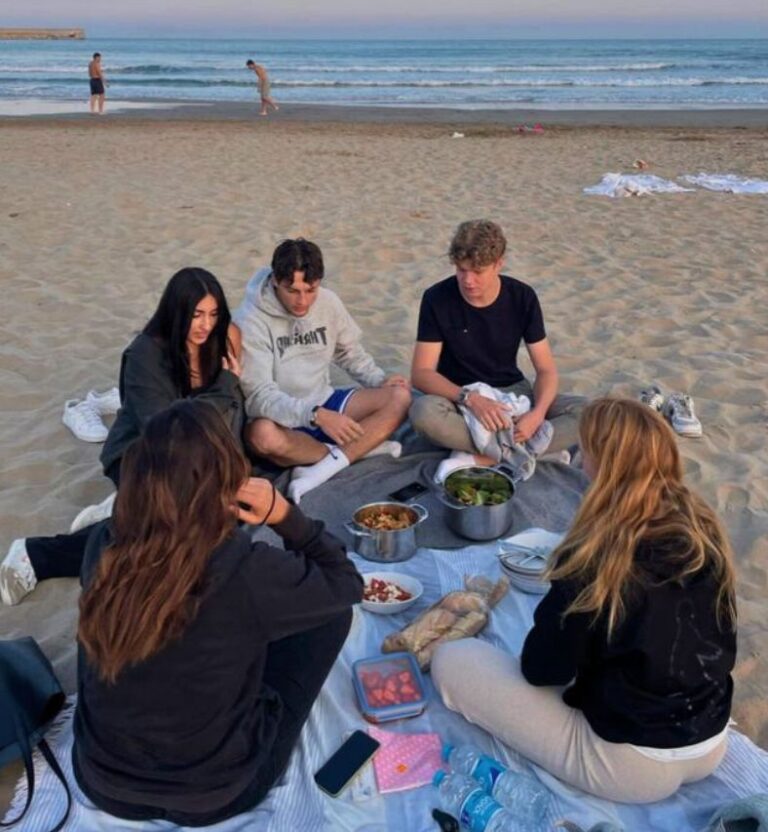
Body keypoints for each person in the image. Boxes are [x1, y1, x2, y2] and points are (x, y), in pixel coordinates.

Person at [432, 398, 737, 805]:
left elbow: (542, 671)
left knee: (454, 661)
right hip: (711, 740)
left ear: (604, 466)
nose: (579, 458)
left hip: (631, 764)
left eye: (586, 450)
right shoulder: (702, 526)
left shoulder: (597, 554)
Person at [74, 398, 361, 825]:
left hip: (101, 778)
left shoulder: (105, 545)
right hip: (220, 792)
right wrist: (285, 516)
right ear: (226, 478)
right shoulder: (245, 569)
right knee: (331, 615)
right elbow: (346, 583)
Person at [0, 267, 243, 606]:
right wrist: (224, 388)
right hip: (142, 455)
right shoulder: (145, 355)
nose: (205, 324)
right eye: (196, 314)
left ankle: (122, 511)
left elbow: (232, 414)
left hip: (198, 459)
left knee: (225, 519)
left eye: (213, 314)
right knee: (165, 531)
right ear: (176, 312)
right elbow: (169, 432)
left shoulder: (218, 344)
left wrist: (231, 472)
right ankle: (36, 554)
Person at [233, 238, 411, 502]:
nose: (302, 301)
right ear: (274, 281)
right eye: (292, 290)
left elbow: (348, 352)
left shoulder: (328, 302)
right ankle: (356, 451)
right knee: (262, 437)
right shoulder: (250, 320)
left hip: (325, 400)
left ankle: (334, 458)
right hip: (283, 418)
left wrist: (380, 379)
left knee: (400, 395)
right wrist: (315, 416)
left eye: (311, 289)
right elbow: (259, 396)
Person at [409, 219, 584, 464]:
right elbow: (421, 373)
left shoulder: (522, 297)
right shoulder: (436, 298)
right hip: (458, 397)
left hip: (513, 392)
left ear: (498, 264)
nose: (468, 280)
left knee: (590, 412)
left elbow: (546, 370)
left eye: (478, 272)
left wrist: (537, 415)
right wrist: (471, 399)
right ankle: (524, 450)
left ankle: (485, 454)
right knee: (422, 413)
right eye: (461, 269)